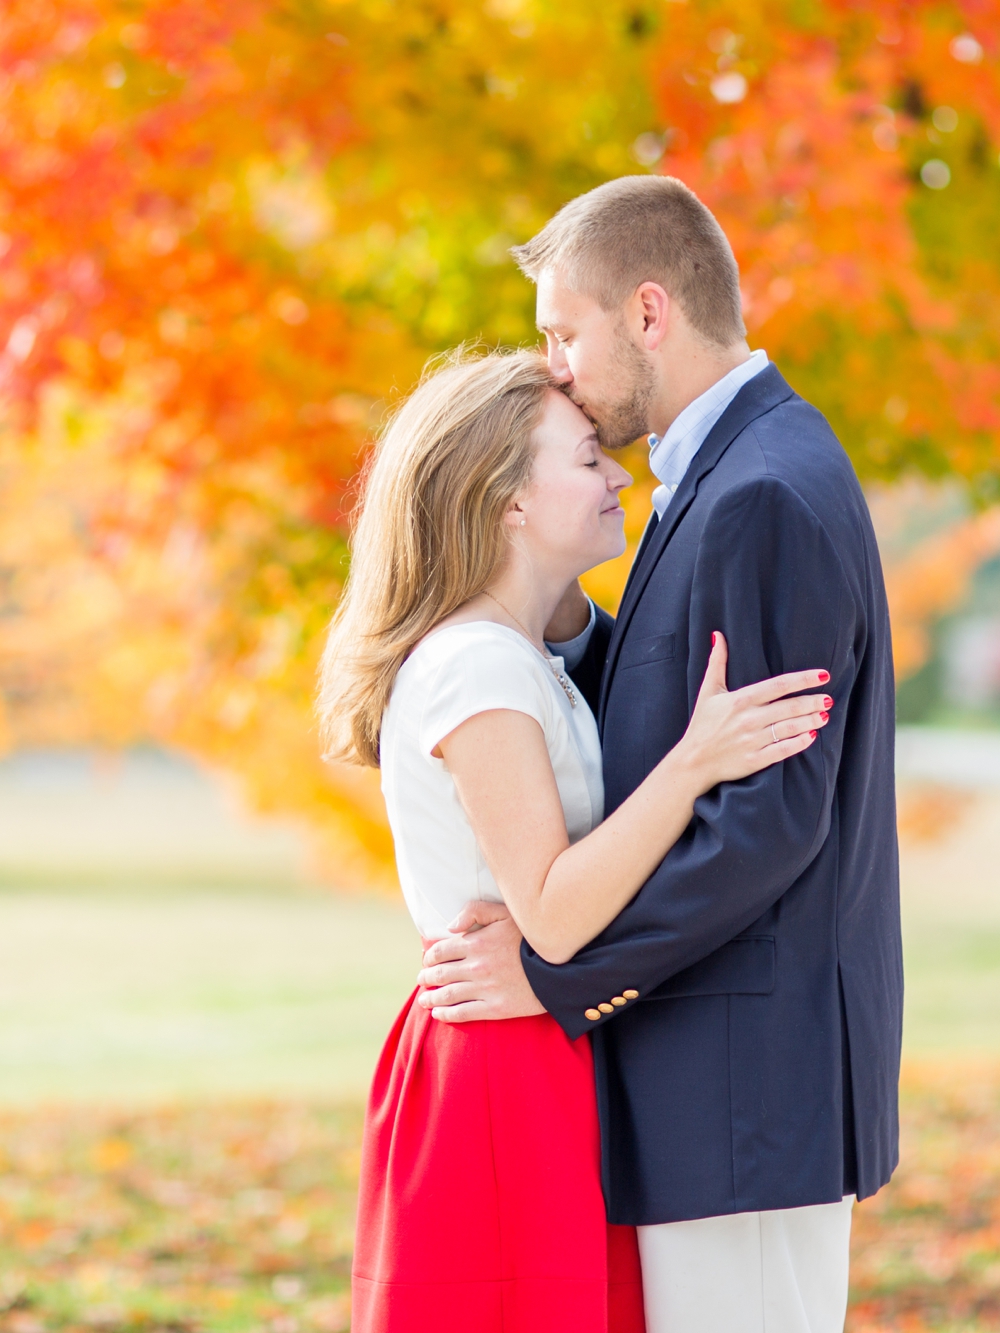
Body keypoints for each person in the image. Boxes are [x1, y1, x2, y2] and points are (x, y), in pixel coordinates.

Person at [412, 176, 903, 1333]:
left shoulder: (761, 491)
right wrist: (556, 623)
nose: (554, 368)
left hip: (742, 1087)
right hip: (725, 1085)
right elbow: (673, 709)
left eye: (561, 333)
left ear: (645, 313)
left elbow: (767, 822)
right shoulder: (737, 468)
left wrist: (551, 972)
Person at [315, 347, 834, 1332]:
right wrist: (694, 764)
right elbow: (549, 913)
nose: (619, 476)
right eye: (587, 457)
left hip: (542, 1049)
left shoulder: (522, 653)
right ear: (505, 498)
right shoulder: (474, 667)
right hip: (498, 1069)